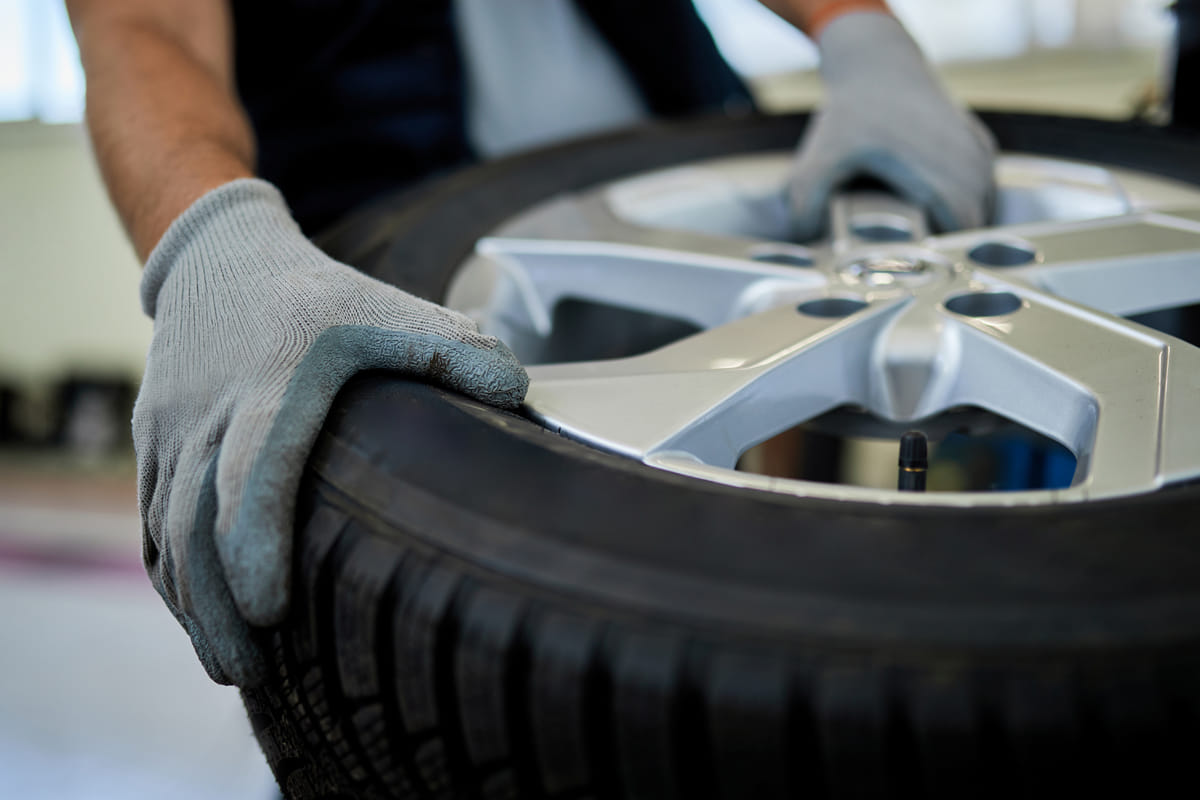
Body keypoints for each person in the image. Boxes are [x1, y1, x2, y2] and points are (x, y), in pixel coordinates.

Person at [65, 0, 994, 688]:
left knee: (777, 626)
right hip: (387, 283)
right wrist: (212, 244)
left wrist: (855, 26)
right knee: (459, 664)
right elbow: (146, 24)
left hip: (694, 199)